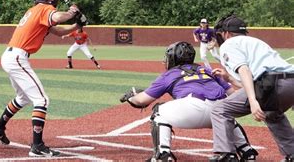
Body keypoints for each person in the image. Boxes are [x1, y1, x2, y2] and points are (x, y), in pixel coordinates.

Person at [0, 0, 86, 157]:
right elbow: (58, 17)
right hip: (17, 57)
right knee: (41, 100)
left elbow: (58, 30)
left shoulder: (35, 10)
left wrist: (77, 24)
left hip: (11, 56)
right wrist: (71, 12)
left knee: (23, 98)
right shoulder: (44, 9)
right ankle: (37, 146)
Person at [120, 41, 258, 162]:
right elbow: (233, 95)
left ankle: (162, 154)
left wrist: (130, 97)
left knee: (158, 112)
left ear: (173, 58)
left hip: (192, 108)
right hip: (218, 110)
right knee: (225, 113)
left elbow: (141, 101)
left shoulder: (169, 74)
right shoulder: (207, 70)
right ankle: (246, 150)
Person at [209, 14, 294, 162]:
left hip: (272, 85)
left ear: (226, 33)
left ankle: (226, 155)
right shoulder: (257, 42)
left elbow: (244, 70)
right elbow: (254, 83)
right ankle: (292, 154)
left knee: (219, 109)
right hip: (289, 83)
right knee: (272, 113)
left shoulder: (229, 44)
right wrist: (229, 79)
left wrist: (253, 101)